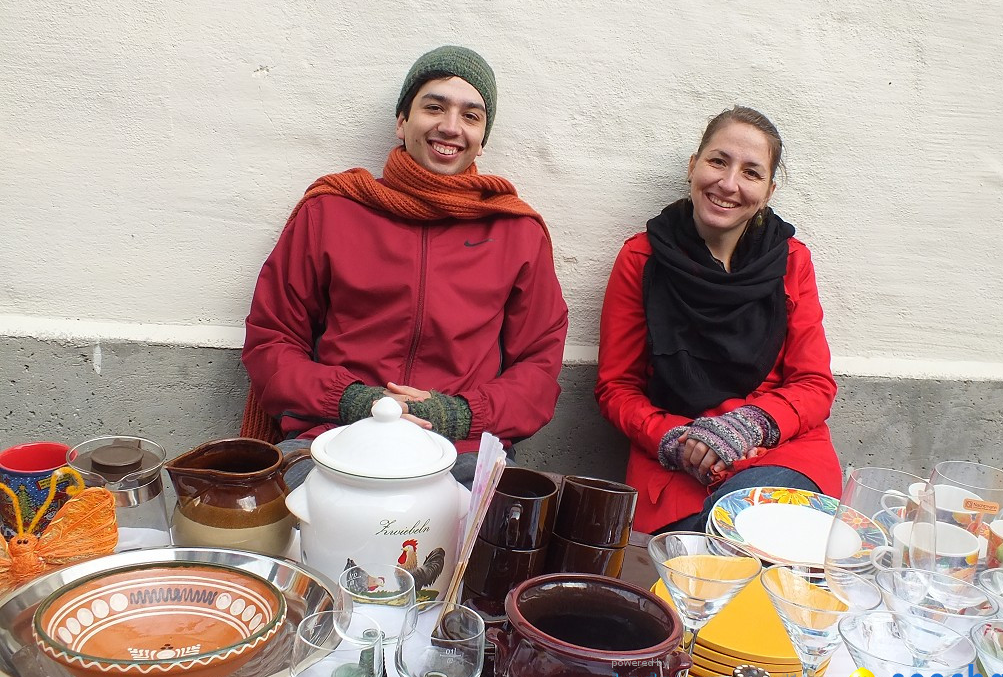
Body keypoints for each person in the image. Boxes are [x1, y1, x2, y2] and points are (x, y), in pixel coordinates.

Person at [241, 46, 568, 485]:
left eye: (471, 116)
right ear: (402, 121)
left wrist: (457, 414)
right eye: (434, 107)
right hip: (333, 437)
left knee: (496, 534)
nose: (450, 127)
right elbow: (272, 340)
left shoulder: (517, 231)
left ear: (482, 138)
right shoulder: (331, 212)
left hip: (460, 451)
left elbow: (538, 368)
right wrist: (356, 402)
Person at [595, 106, 841, 533]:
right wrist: (675, 439)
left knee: (751, 532)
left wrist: (750, 425)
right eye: (718, 161)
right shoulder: (641, 259)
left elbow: (814, 384)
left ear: (768, 191)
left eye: (751, 172)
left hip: (780, 454)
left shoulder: (792, 262)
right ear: (694, 166)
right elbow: (617, 388)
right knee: (696, 572)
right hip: (677, 469)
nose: (729, 184)